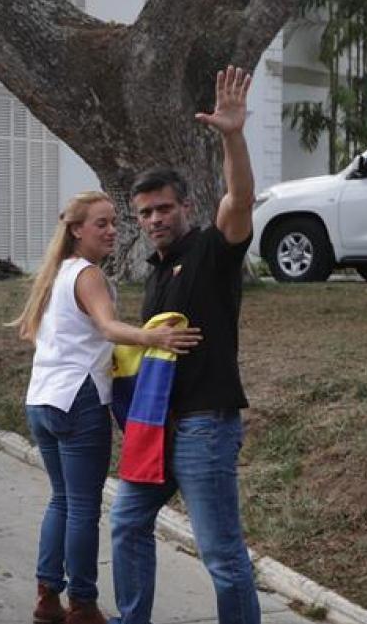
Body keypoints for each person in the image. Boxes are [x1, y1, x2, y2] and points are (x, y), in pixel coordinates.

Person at [108, 65, 259, 624]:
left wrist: (232, 135)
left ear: (186, 208)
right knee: (126, 521)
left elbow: (239, 199)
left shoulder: (212, 253)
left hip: (204, 426)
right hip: (158, 426)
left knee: (221, 555)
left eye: (163, 208)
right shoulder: (155, 271)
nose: (153, 219)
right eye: (145, 212)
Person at [11, 191, 201, 624]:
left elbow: (37, 333)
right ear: (77, 230)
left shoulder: (55, 274)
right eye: (102, 223)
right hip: (78, 401)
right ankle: (82, 603)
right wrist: (152, 339)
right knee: (81, 507)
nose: (113, 230)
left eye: (115, 221)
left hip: (41, 399)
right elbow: (107, 326)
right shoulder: (88, 274)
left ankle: (46, 598)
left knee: (61, 500)